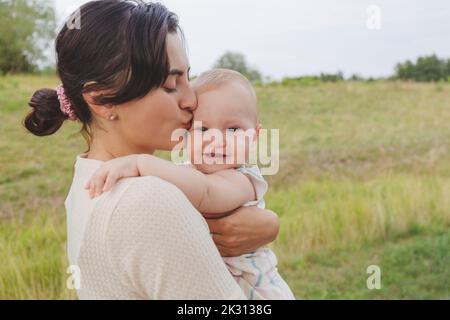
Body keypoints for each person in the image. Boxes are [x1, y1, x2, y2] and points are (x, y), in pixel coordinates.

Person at [23, 0, 279, 299]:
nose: (191, 100)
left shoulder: (87, 176)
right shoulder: (147, 197)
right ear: (103, 100)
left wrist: (263, 227)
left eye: (188, 77)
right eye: (171, 85)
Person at [86, 69, 295, 299]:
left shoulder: (242, 178)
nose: (216, 140)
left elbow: (206, 192)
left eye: (233, 129)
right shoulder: (185, 171)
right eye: (203, 129)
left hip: (257, 290)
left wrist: (140, 163)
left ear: (254, 135)